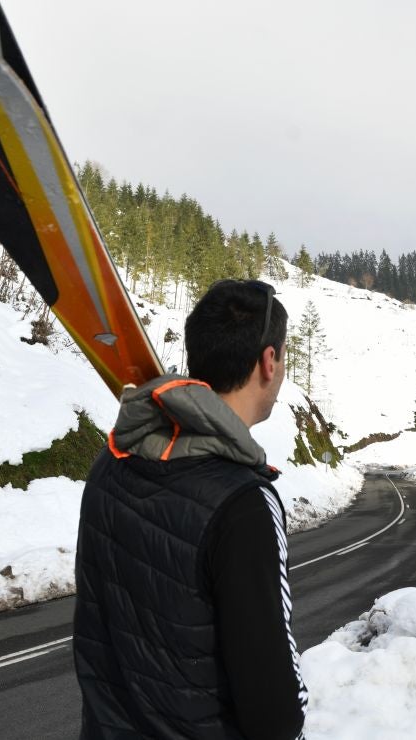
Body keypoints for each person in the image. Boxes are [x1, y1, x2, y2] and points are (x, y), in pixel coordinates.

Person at [74, 279, 307, 739]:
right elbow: (273, 711)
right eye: (283, 357)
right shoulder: (244, 505)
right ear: (268, 361)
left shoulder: (114, 460)